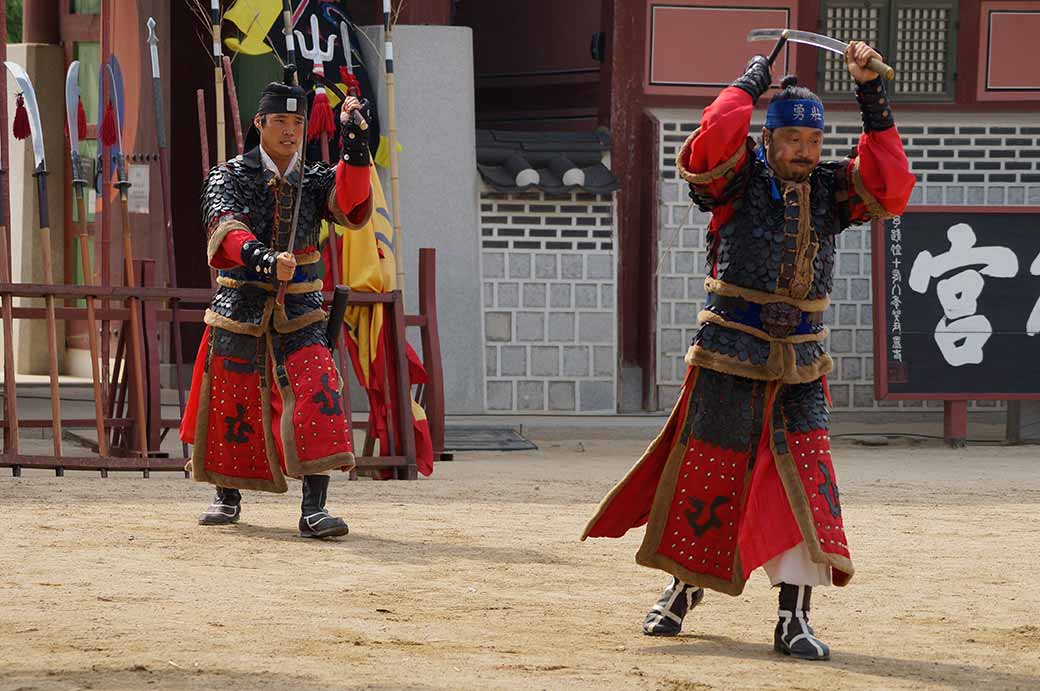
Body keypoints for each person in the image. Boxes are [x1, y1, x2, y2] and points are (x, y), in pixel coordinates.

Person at [582, 42, 915, 660]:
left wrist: (871, 95)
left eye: (813, 143)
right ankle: (681, 588)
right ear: (769, 137)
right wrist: (745, 86)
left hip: (802, 364)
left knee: (801, 488)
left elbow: (891, 187)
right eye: (793, 141)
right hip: (729, 355)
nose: (805, 153)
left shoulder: (831, 189)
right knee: (707, 476)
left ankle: (794, 618)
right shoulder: (735, 180)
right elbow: (710, 143)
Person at [180, 77, 373, 539]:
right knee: (233, 398)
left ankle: (314, 507)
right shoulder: (229, 174)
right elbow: (224, 227)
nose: (290, 131)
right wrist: (263, 258)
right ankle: (227, 495)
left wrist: (354, 145)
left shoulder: (316, 176)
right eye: (281, 121)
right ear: (259, 123)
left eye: (297, 122)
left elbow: (350, 203)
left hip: (303, 308)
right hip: (240, 303)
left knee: (319, 391)